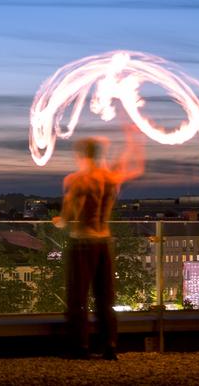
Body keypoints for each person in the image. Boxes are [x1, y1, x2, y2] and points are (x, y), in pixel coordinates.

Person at [53, 124, 144, 360]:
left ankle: (80, 346)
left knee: (78, 297)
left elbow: (66, 217)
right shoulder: (110, 178)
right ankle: (110, 345)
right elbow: (135, 166)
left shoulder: (76, 180)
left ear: (81, 155)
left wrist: (59, 221)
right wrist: (132, 137)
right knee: (105, 296)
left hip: (82, 242)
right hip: (104, 240)